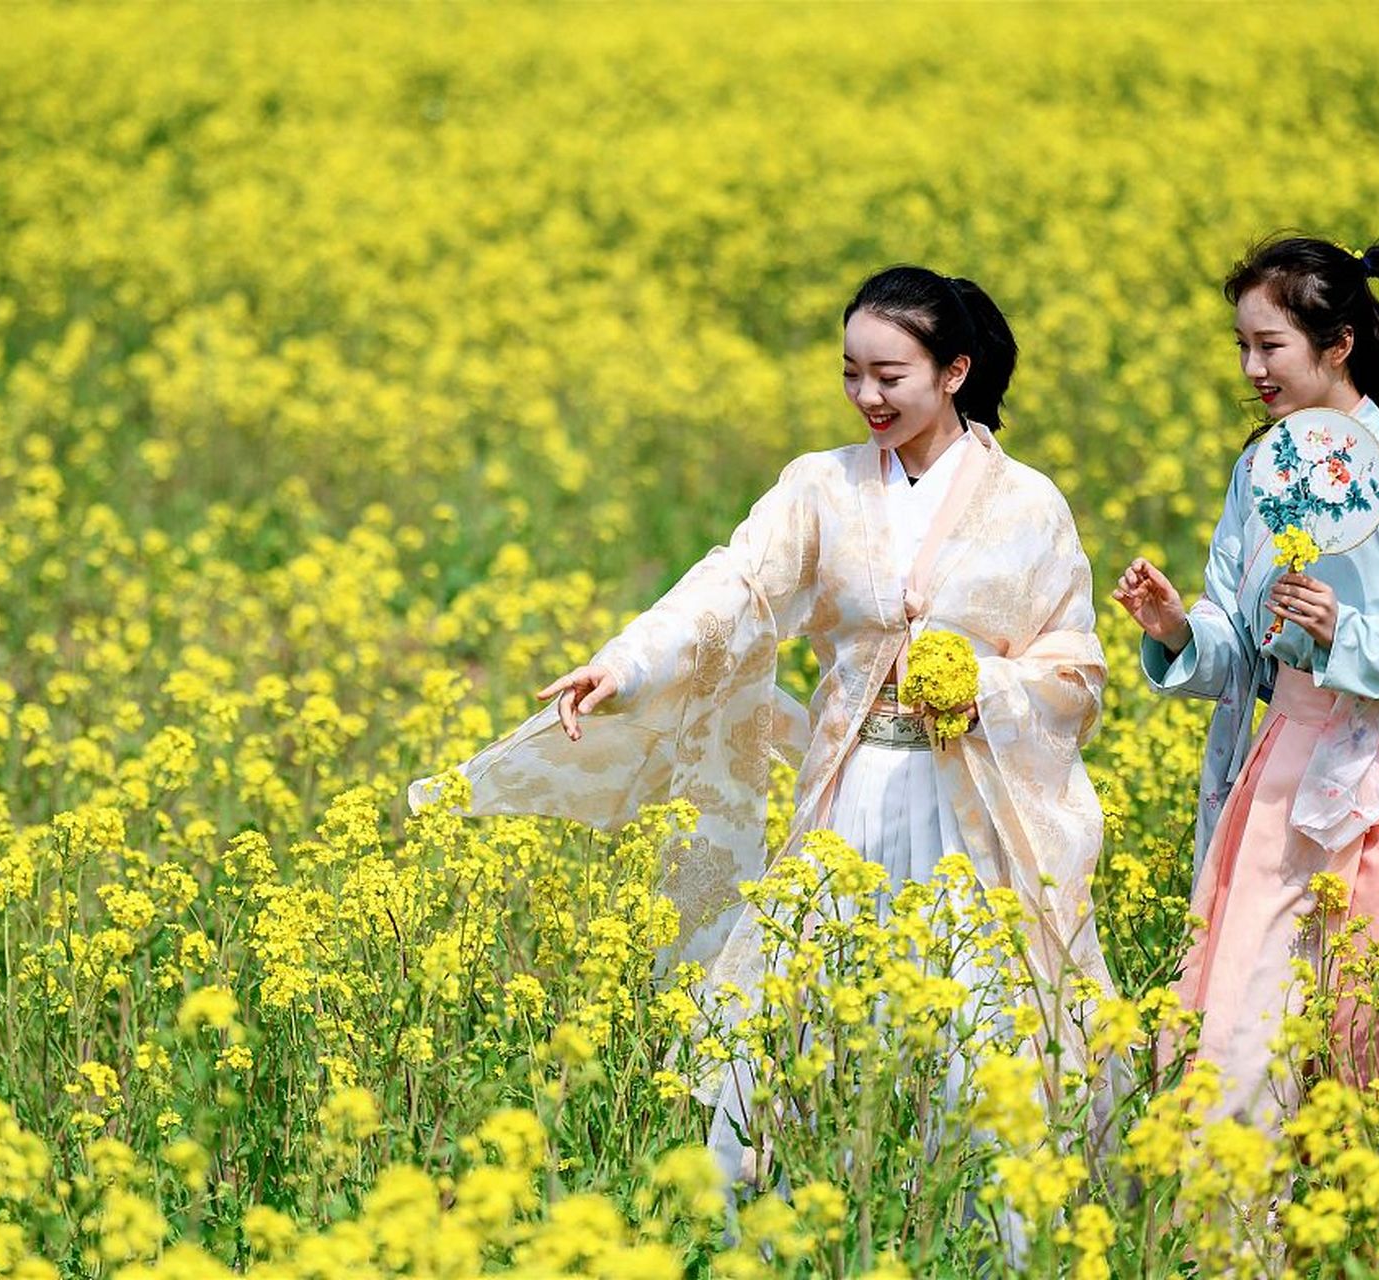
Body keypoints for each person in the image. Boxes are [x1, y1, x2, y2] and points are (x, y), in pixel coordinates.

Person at [412, 265, 1116, 1181]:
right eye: (849, 373)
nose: (867, 395)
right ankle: (773, 1217)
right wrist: (625, 663)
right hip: (854, 793)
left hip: (971, 806)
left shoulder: (1029, 504)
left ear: (953, 372)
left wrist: (984, 687)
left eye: (889, 376)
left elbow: (1074, 665)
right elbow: (736, 585)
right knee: (787, 1017)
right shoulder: (819, 486)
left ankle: (990, 1229)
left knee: (983, 1029)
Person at [1112, 236, 1379, 1129]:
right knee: (1237, 1040)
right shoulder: (1260, 469)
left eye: (1269, 345)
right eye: (1240, 345)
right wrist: (1180, 630)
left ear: (1337, 344)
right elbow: (1239, 636)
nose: (1250, 367)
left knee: (1374, 1042)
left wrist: (1350, 636)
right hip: (1276, 779)